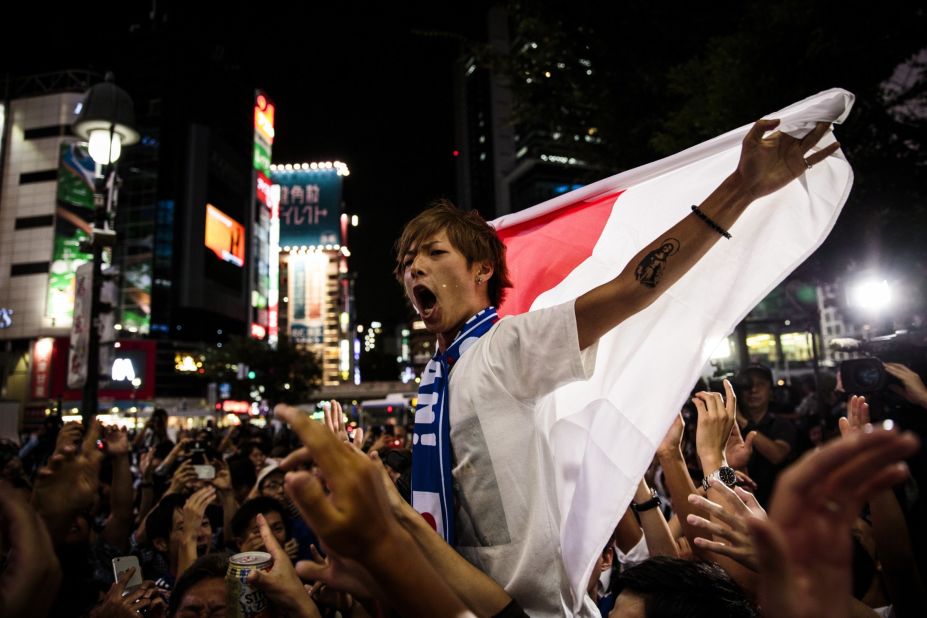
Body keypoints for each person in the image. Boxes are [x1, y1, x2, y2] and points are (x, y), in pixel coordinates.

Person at [394, 119, 840, 614]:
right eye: (407, 262)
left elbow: (634, 287)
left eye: (435, 253)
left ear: (482, 270)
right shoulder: (437, 380)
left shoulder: (506, 346)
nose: (415, 267)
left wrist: (741, 187)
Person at [735, 364, 798, 506]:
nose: (753, 390)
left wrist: (743, 422)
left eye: (760, 384)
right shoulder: (730, 427)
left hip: (776, 504)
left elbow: (777, 454)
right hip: (739, 505)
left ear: (770, 391)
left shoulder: (781, 424)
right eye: (747, 385)